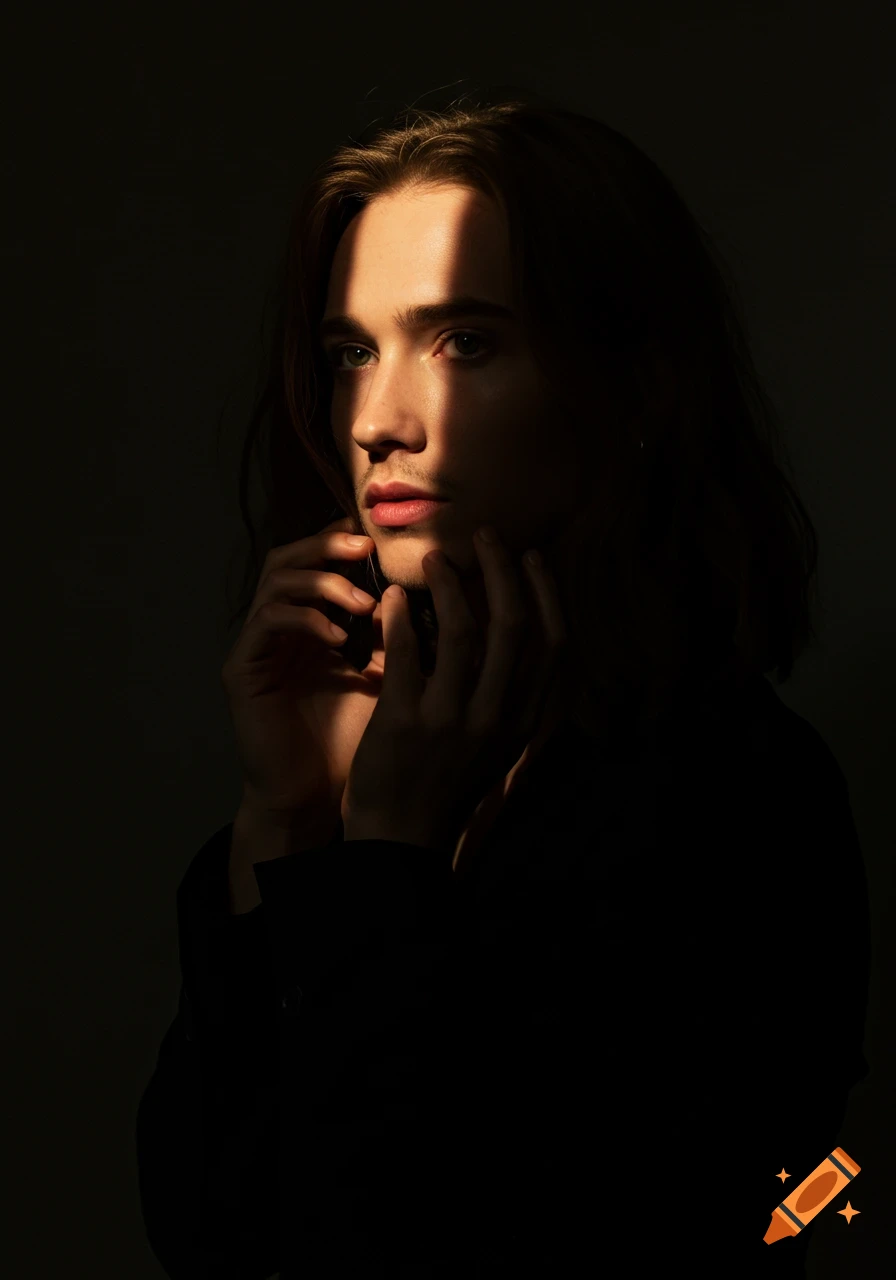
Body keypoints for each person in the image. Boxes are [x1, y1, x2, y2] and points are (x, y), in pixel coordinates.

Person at [135, 83, 871, 1278]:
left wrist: (386, 858)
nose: (379, 418)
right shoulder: (351, 755)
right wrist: (287, 821)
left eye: (463, 341)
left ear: (628, 383)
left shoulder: (740, 798)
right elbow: (208, 1233)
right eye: (348, 353)